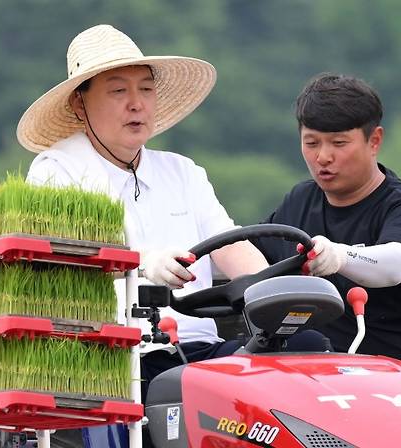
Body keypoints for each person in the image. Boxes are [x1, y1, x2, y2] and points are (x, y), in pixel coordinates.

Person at [17, 24, 275, 447]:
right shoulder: (55, 171)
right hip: (121, 360)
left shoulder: (183, 172)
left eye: (146, 89)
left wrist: (279, 290)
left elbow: (232, 246)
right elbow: (67, 264)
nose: (136, 104)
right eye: (118, 91)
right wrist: (143, 265)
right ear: (80, 105)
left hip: (199, 353)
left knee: (305, 346)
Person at [253, 72, 401, 416]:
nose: (323, 157)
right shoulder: (298, 202)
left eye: (338, 144)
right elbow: (245, 257)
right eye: (311, 143)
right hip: (336, 387)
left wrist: (340, 256)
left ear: (374, 140)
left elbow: (397, 263)